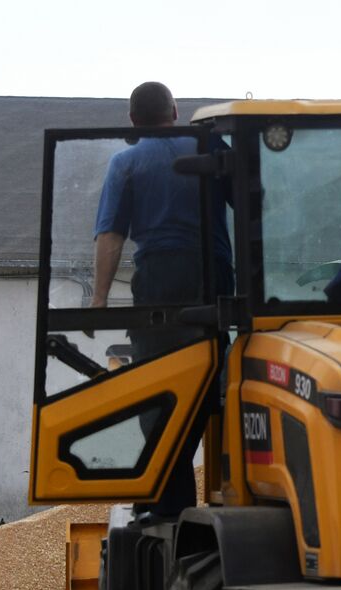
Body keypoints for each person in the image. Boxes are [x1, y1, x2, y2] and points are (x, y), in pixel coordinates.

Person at [91, 81, 233, 516]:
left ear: (133, 121)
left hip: (158, 282)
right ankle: (198, 485)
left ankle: (163, 498)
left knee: (158, 384)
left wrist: (98, 301)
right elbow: (254, 201)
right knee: (211, 376)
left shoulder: (127, 162)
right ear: (174, 111)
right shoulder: (209, 147)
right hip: (214, 277)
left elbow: (111, 235)